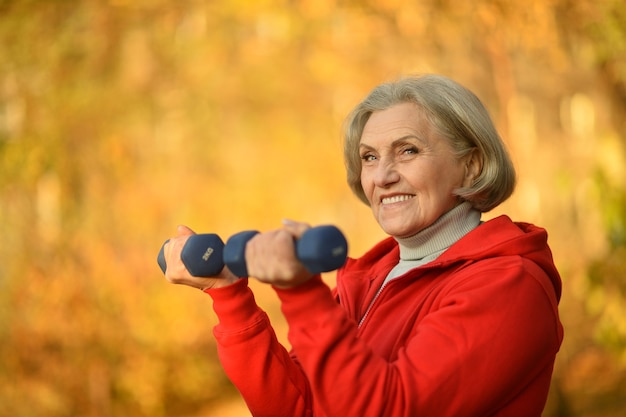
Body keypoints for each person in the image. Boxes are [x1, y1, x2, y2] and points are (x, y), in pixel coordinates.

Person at [162, 74, 564, 416]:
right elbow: (297, 408)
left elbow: (388, 409)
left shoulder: (510, 286)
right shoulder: (370, 279)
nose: (383, 176)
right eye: (369, 157)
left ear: (472, 164)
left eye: (408, 150)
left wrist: (301, 293)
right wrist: (229, 294)